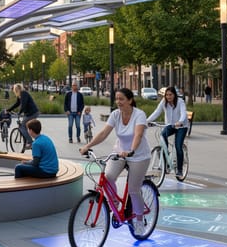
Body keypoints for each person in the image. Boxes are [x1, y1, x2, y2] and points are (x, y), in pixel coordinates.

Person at [79, 88, 152, 229]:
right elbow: (103, 133)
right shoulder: (115, 114)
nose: (118, 102)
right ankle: (114, 201)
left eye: (121, 99)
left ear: (130, 100)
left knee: (133, 189)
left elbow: (138, 135)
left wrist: (131, 150)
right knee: (108, 176)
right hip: (119, 152)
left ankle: (139, 219)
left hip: (138, 155)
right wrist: (87, 146)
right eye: (116, 99)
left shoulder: (139, 115)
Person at [147, 86, 190, 176]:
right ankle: (165, 162)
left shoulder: (180, 102)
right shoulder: (164, 102)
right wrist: (146, 121)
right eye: (166, 95)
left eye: (170, 95)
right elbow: (156, 112)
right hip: (170, 125)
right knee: (162, 135)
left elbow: (183, 114)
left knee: (178, 146)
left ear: (174, 95)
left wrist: (180, 122)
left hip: (181, 126)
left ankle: (179, 169)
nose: (168, 97)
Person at [7, 83, 39, 148]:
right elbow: (17, 103)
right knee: (25, 126)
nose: (14, 91)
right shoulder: (20, 95)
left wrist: (19, 112)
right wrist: (8, 110)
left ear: (17, 89)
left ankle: (30, 142)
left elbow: (24, 104)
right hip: (28, 113)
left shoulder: (23, 93)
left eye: (15, 89)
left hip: (32, 113)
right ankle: (30, 140)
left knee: (22, 127)